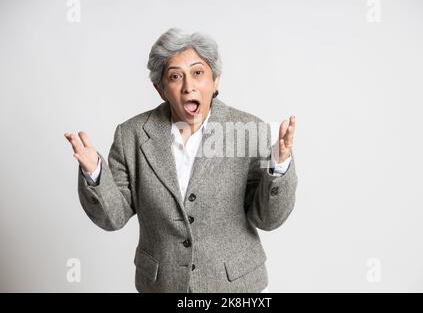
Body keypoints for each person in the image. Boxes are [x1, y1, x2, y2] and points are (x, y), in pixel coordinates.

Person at [64, 27, 298, 293]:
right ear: (160, 88)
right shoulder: (131, 135)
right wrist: (94, 173)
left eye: (198, 73)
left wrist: (279, 166)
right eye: (175, 76)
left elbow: (268, 219)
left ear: (216, 80)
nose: (188, 86)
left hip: (235, 287)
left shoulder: (247, 130)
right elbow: (113, 217)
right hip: (162, 285)